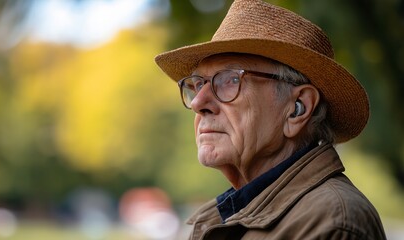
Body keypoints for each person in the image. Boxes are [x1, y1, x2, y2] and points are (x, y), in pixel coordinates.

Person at [155, 0, 386, 239]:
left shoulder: (332, 222)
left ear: (298, 109)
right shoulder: (218, 216)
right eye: (199, 84)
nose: (197, 103)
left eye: (230, 80)